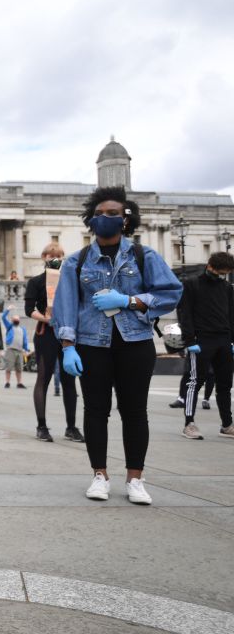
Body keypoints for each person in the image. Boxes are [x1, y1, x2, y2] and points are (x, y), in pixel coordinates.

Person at [53, 186, 182, 504]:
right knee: (96, 411)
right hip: (90, 344)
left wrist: (130, 300)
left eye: (112, 214)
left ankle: (135, 479)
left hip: (135, 342)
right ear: (90, 220)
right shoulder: (77, 261)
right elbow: (65, 305)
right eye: (98, 214)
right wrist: (68, 346)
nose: (104, 219)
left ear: (126, 220)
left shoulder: (144, 255)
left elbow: (170, 292)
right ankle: (100, 475)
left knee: (135, 412)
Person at [25, 242, 82, 442]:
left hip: (67, 334)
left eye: (58, 256)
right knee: (43, 377)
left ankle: (71, 427)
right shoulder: (36, 282)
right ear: (44, 257)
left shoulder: (69, 281)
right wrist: (45, 318)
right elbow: (28, 309)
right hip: (46, 333)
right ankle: (41, 426)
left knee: (69, 380)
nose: (54, 259)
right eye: (51, 255)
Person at [175, 251, 234, 439]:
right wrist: (190, 340)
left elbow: (231, 316)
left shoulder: (227, 288)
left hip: (223, 340)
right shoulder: (191, 284)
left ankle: (227, 424)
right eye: (219, 272)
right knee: (195, 381)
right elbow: (185, 314)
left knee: (225, 384)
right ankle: (189, 424)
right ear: (209, 266)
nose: (220, 276)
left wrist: (232, 340)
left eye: (224, 273)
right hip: (201, 341)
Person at [0, 310, 28, 389]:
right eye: (14, 319)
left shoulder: (23, 329)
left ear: (19, 320)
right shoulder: (9, 327)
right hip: (10, 350)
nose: (16, 320)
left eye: (17, 319)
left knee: (19, 368)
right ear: (12, 320)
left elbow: (25, 339)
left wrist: (26, 349)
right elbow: (3, 317)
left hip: (19, 351)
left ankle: (19, 383)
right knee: (8, 367)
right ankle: (7, 382)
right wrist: (8, 310)